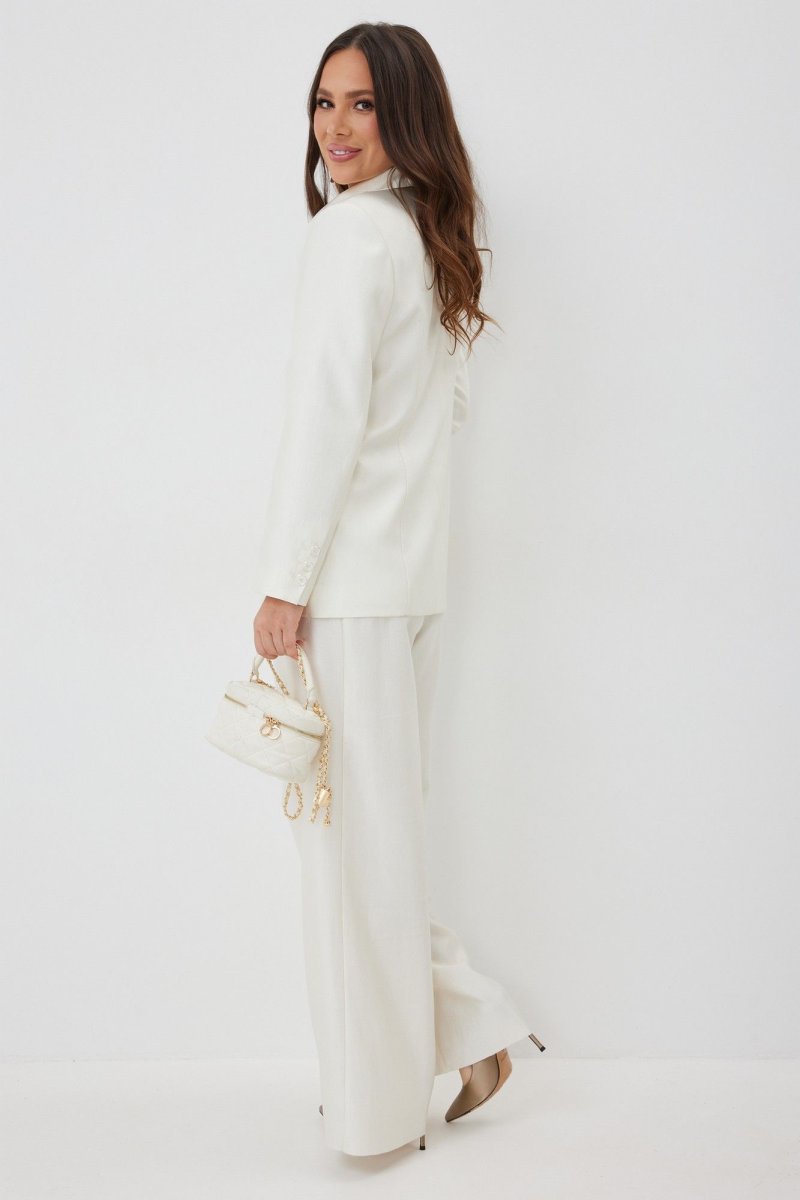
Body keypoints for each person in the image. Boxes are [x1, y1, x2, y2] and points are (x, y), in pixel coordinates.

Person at [252, 22, 545, 1158]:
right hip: (412, 580)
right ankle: (472, 1032)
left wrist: (284, 582)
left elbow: (324, 420)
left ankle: (376, 1113)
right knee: (374, 843)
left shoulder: (349, 238)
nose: (335, 126)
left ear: (405, 113)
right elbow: (441, 413)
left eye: (363, 104)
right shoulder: (429, 236)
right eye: (324, 102)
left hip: (352, 593)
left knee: (349, 859)